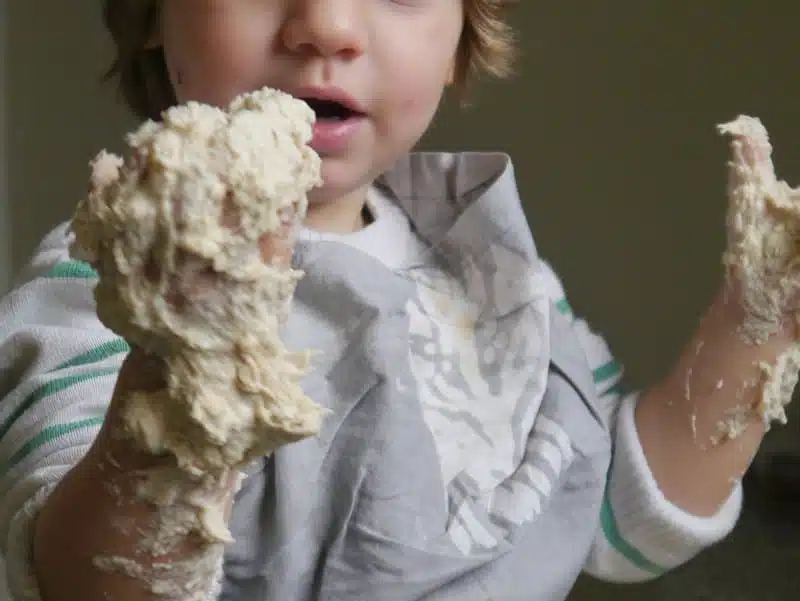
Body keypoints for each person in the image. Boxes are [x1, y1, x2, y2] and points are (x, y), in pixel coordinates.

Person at [0, 1, 794, 600]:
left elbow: (618, 517)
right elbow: (71, 579)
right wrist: (182, 366)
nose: (327, 25)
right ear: (153, 16)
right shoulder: (107, 285)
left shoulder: (499, 282)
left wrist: (756, 323)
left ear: (461, 35)